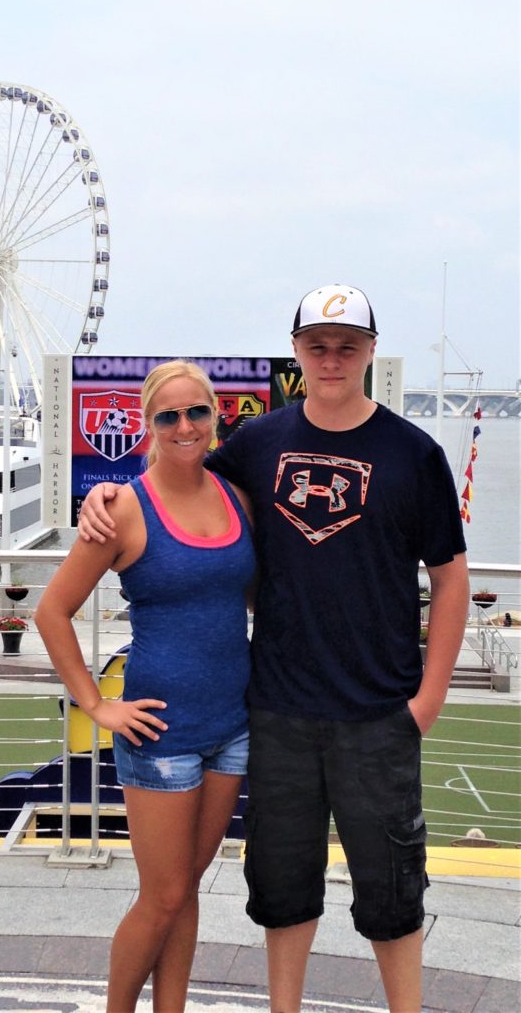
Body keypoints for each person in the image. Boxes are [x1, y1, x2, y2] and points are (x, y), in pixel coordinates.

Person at [78, 285, 470, 1013]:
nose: (331, 357)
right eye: (317, 344)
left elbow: (450, 577)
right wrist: (103, 495)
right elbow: (175, 479)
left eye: (347, 344)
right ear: (295, 352)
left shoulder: (415, 455)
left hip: (380, 713)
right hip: (278, 711)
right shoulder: (256, 447)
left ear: (371, 351)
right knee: (283, 891)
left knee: (392, 893)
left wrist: (429, 696)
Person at [36, 360, 256, 1012]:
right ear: (147, 425)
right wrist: (97, 703)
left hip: (232, 729)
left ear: (215, 417)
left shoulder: (236, 497)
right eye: (168, 416)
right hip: (161, 736)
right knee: (161, 896)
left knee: (186, 889)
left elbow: (247, 597)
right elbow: (51, 612)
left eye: (197, 413)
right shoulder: (123, 510)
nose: (184, 426)